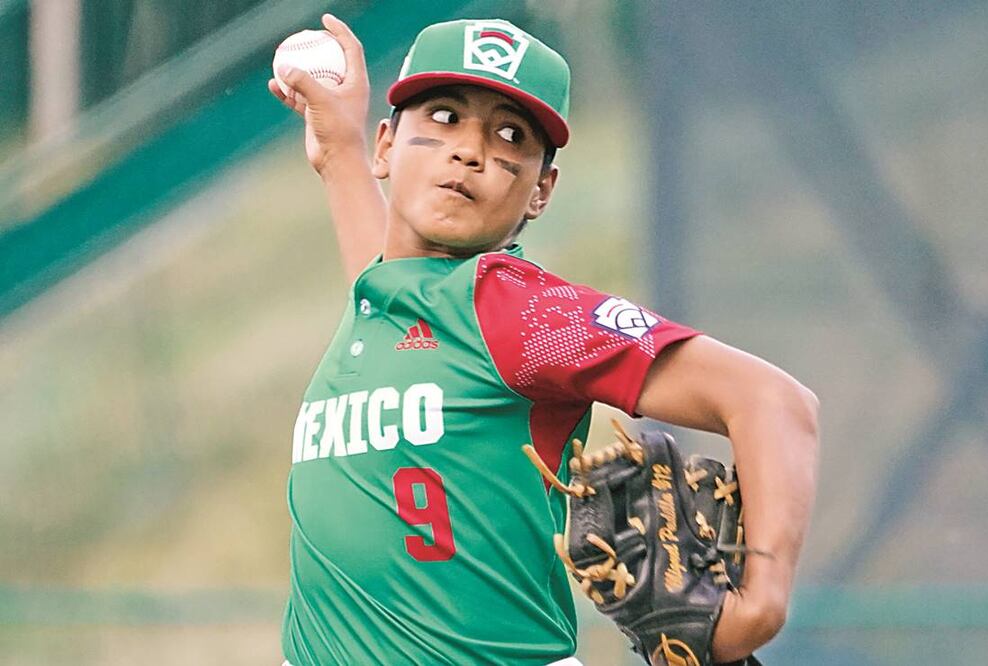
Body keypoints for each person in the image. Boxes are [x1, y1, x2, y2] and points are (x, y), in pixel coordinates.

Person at [268, 14, 819, 666]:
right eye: (443, 116)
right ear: (384, 147)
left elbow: (771, 401)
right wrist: (338, 154)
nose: (468, 150)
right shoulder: (385, 302)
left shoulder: (512, 308)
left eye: (509, 135)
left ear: (541, 191)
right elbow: (382, 270)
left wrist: (759, 603)